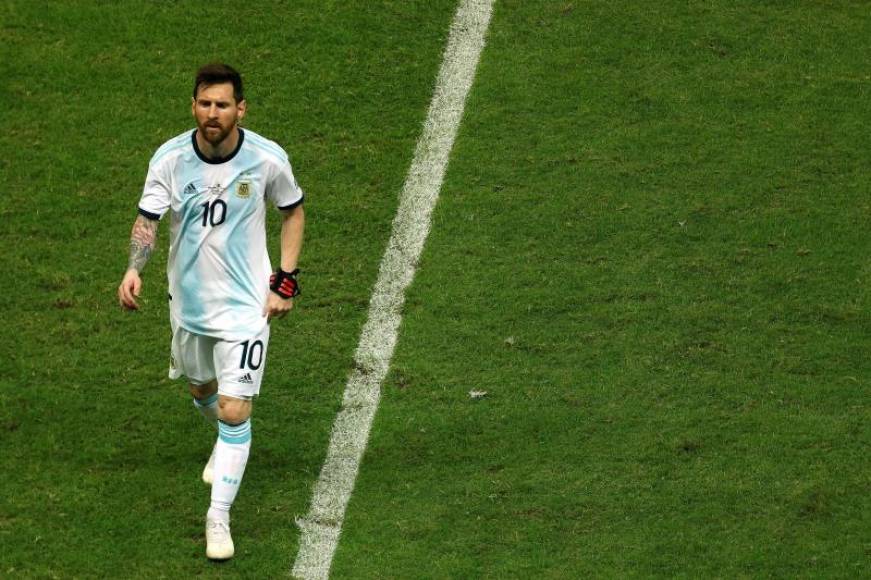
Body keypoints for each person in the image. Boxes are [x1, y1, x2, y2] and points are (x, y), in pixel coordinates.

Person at [117, 63, 305, 561]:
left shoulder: (266, 159)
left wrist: (284, 281)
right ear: (194, 106)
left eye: (223, 105)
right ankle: (226, 441)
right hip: (190, 306)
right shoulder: (171, 159)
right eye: (205, 104)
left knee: (234, 408)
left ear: (240, 109)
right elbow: (148, 219)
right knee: (202, 391)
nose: (213, 113)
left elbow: (293, 211)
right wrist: (135, 268)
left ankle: (217, 517)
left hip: (246, 309)